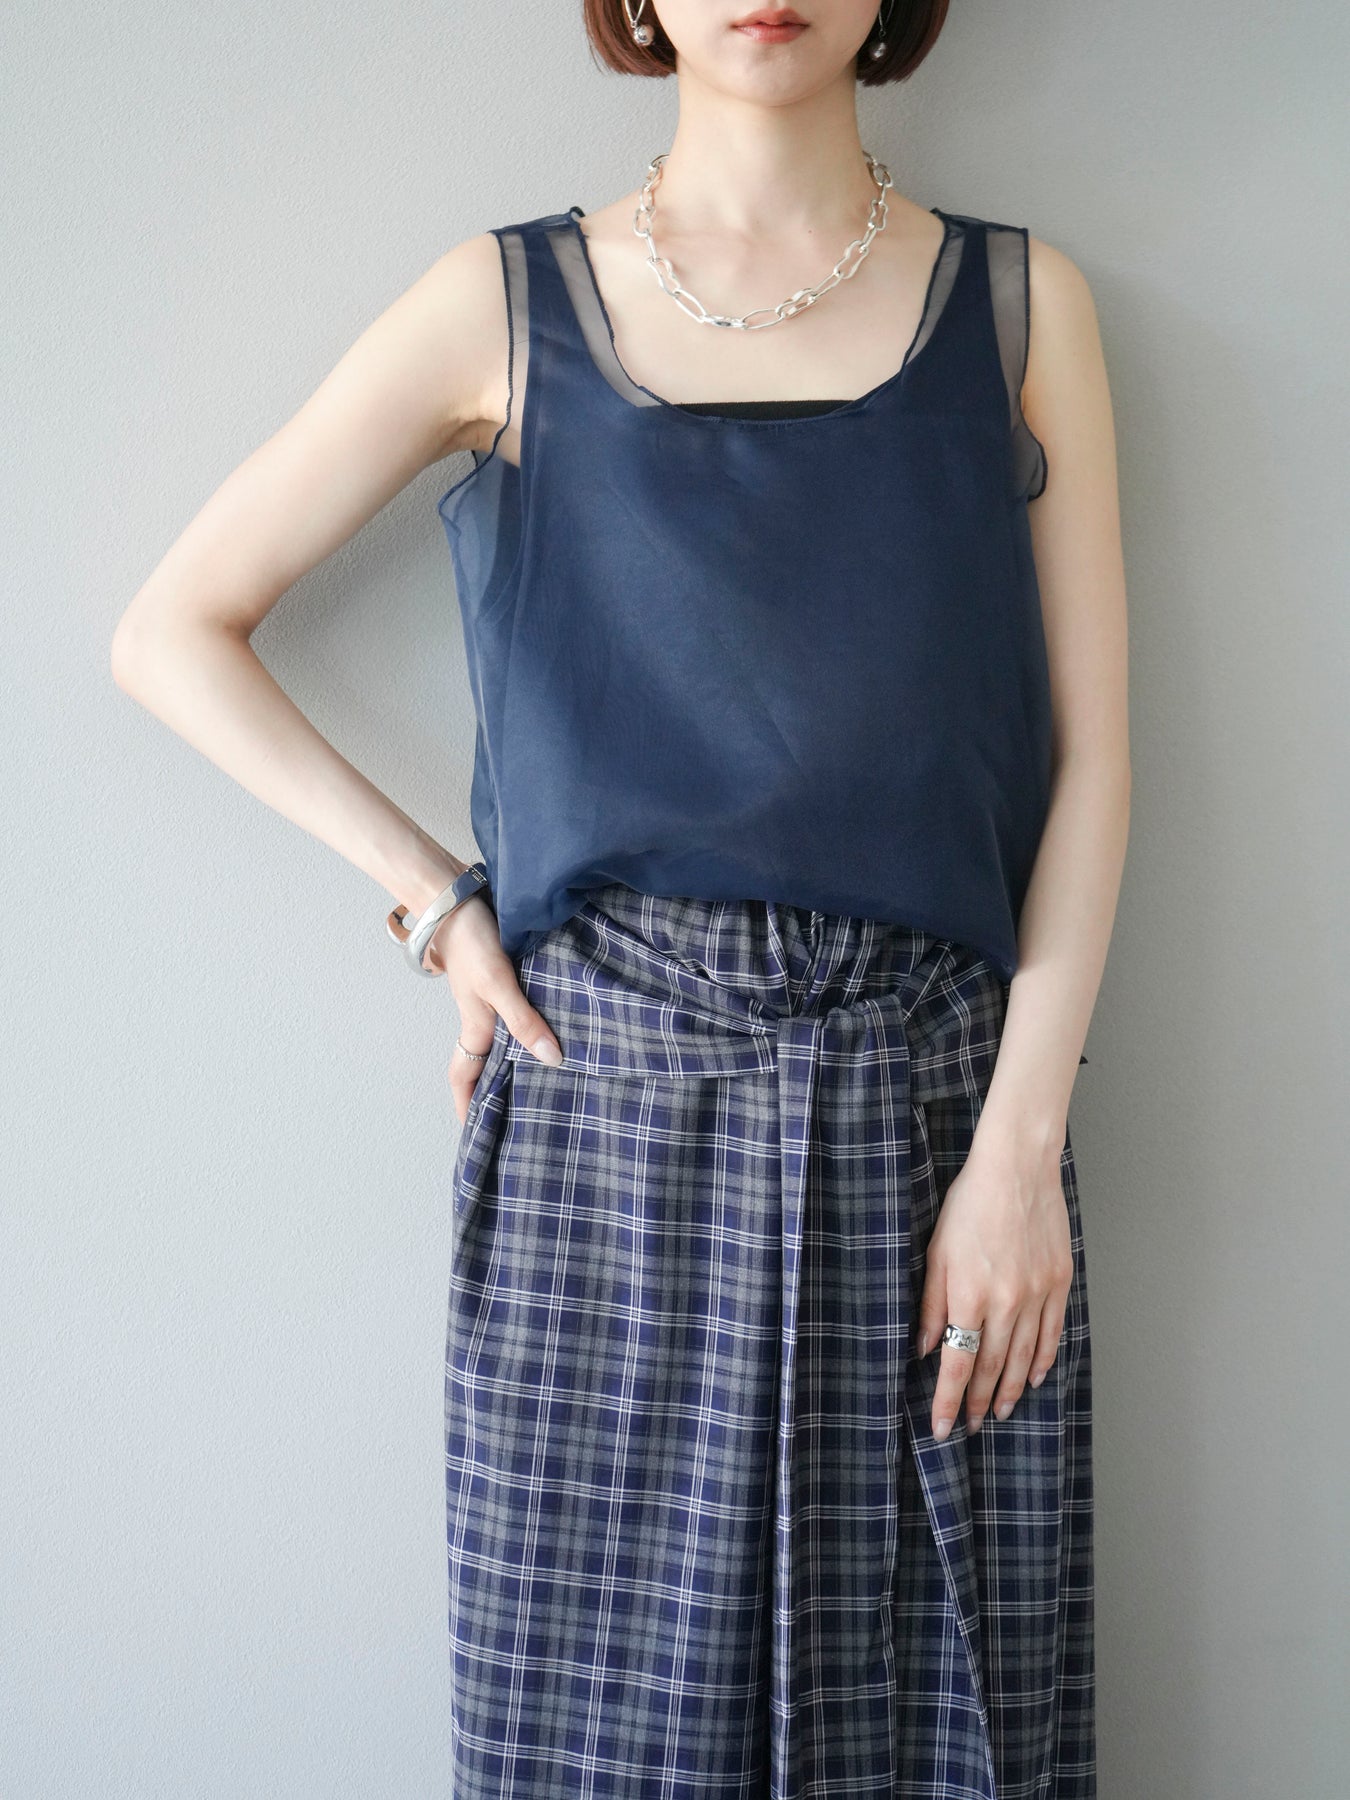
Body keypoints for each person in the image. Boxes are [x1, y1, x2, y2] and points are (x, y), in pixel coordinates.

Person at [111, 1, 1129, 1793]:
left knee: (941, 1732)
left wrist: (1017, 1156)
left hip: (937, 1132)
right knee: (595, 1740)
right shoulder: (498, 303)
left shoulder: (1020, 305)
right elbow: (172, 632)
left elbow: (1095, 760)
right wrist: (435, 906)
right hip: (608, 1130)